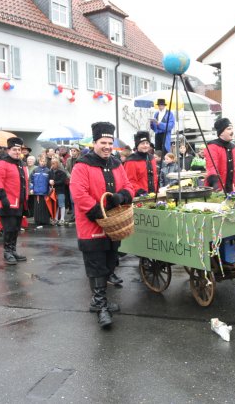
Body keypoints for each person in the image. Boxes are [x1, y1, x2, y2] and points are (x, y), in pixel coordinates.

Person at [70, 122, 134, 328]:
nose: (107, 146)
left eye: (109, 143)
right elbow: (79, 194)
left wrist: (121, 196)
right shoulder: (82, 165)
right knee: (96, 266)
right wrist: (99, 212)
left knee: (110, 263)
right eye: (102, 142)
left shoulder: (116, 163)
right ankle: (100, 305)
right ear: (94, 143)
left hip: (113, 225)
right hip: (92, 224)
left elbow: (128, 186)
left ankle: (99, 301)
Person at [0, 137, 29, 265]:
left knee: (16, 228)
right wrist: (2, 197)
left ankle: (13, 250)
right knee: (9, 228)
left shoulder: (20, 163)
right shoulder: (2, 163)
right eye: (14, 149)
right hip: (7, 202)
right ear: (8, 150)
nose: (17, 152)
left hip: (19, 202)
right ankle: (7, 252)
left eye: (19, 149)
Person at [205, 118, 235, 193]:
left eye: (232, 129)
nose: (232, 132)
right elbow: (212, 167)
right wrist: (214, 183)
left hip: (231, 189)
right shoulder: (212, 147)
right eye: (229, 129)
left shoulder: (233, 147)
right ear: (221, 132)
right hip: (217, 189)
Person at [124, 131, 158, 196]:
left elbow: (155, 178)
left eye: (147, 143)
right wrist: (140, 192)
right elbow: (130, 181)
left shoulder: (152, 158)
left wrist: (157, 190)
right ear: (137, 145)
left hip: (154, 195)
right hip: (139, 197)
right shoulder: (131, 161)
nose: (145, 145)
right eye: (142, 143)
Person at [30, 156, 52, 226]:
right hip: (36, 192)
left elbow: (50, 182)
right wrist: (31, 189)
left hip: (45, 192)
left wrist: (50, 186)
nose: (43, 163)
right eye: (41, 161)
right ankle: (37, 221)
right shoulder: (35, 170)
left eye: (44, 161)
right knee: (37, 208)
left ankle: (45, 221)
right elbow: (31, 181)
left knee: (45, 207)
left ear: (46, 162)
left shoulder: (48, 171)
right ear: (39, 161)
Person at [49, 158, 68, 226]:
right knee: (55, 205)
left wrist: (54, 182)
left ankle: (62, 219)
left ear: (58, 164)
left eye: (54, 163)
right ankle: (56, 218)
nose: (52, 165)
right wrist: (49, 182)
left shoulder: (62, 172)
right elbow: (48, 180)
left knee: (61, 204)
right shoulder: (50, 172)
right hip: (53, 191)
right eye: (52, 163)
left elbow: (62, 181)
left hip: (60, 191)